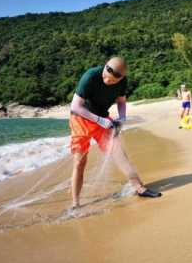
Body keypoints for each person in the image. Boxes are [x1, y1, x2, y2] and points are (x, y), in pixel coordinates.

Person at [69, 57, 161, 209]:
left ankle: (139, 188)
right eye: (105, 76)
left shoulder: (122, 82)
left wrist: (122, 118)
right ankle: (75, 204)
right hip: (81, 118)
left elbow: (121, 101)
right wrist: (99, 120)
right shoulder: (90, 76)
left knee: (118, 153)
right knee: (80, 162)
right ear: (105, 66)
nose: (106, 80)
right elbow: (75, 106)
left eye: (111, 81)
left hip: (102, 118)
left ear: (121, 78)